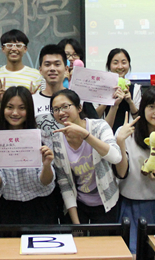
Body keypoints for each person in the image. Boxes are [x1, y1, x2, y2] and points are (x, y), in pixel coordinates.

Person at [0, 86, 56, 224]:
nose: (15, 113)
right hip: (9, 209)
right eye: (9, 107)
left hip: (41, 208)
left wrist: (47, 165)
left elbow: (45, 182)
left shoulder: (42, 137)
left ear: (29, 110)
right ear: (3, 109)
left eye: (22, 108)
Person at [115, 86, 155, 254]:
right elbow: (121, 173)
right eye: (152, 107)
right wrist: (120, 141)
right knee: (131, 253)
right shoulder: (127, 133)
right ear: (143, 108)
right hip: (129, 204)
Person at [50, 89, 122, 224]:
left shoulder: (99, 126)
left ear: (79, 108)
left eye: (65, 106)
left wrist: (86, 135)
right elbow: (64, 183)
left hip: (107, 201)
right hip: (79, 204)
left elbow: (116, 157)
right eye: (56, 109)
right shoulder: (57, 140)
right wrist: (76, 224)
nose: (61, 112)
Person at [0, 30, 43, 124]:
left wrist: (32, 100)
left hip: (27, 129)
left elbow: (41, 107)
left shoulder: (36, 75)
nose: (13, 49)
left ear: (25, 49)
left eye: (18, 45)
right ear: (3, 49)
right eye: (9, 45)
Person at [96, 48, 141, 131]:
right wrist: (107, 99)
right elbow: (94, 117)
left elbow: (139, 119)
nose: (120, 67)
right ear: (109, 65)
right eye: (115, 63)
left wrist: (130, 102)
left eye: (124, 62)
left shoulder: (135, 89)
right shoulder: (100, 88)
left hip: (129, 135)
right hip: (104, 134)